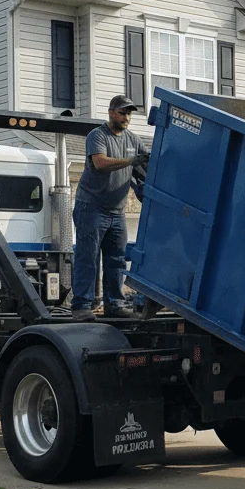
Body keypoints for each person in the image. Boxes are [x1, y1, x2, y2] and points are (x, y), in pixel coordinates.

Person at [71, 95, 149, 321]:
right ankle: (81, 306)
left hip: (117, 211)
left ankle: (114, 304)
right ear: (111, 113)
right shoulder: (98, 135)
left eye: (129, 114)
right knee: (88, 257)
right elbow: (100, 163)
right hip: (91, 207)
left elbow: (145, 163)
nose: (127, 117)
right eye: (122, 113)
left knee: (117, 258)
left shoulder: (133, 139)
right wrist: (131, 161)